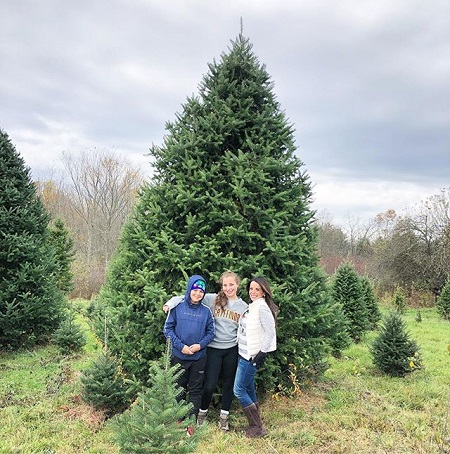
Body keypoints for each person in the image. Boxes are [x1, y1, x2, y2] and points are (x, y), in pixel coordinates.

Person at [164, 271, 248, 431]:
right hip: (213, 349)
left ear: (237, 284)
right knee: (208, 385)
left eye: (232, 284)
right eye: (225, 285)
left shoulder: (244, 307)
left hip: (231, 349)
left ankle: (224, 416)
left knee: (229, 383)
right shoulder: (212, 299)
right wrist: (170, 303)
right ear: (221, 286)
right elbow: (187, 296)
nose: (228, 288)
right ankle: (201, 414)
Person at [163, 274, 215, 433]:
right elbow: (167, 330)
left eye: (201, 291)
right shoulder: (177, 307)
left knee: (195, 390)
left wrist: (199, 345)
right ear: (189, 289)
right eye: (195, 290)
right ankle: (179, 419)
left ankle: (191, 423)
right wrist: (181, 346)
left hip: (198, 358)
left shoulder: (206, 312)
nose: (198, 294)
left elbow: (211, 333)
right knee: (179, 389)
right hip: (179, 356)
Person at [233, 276, 278, 438]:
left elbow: (270, 332)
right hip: (243, 354)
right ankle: (257, 425)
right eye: (251, 289)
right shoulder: (252, 306)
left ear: (264, 292)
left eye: (257, 289)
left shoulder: (262, 308)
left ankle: (256, 426)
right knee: (249, 388)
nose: (253, 292)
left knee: (238, 390)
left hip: (251, 357)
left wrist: (261, 354)